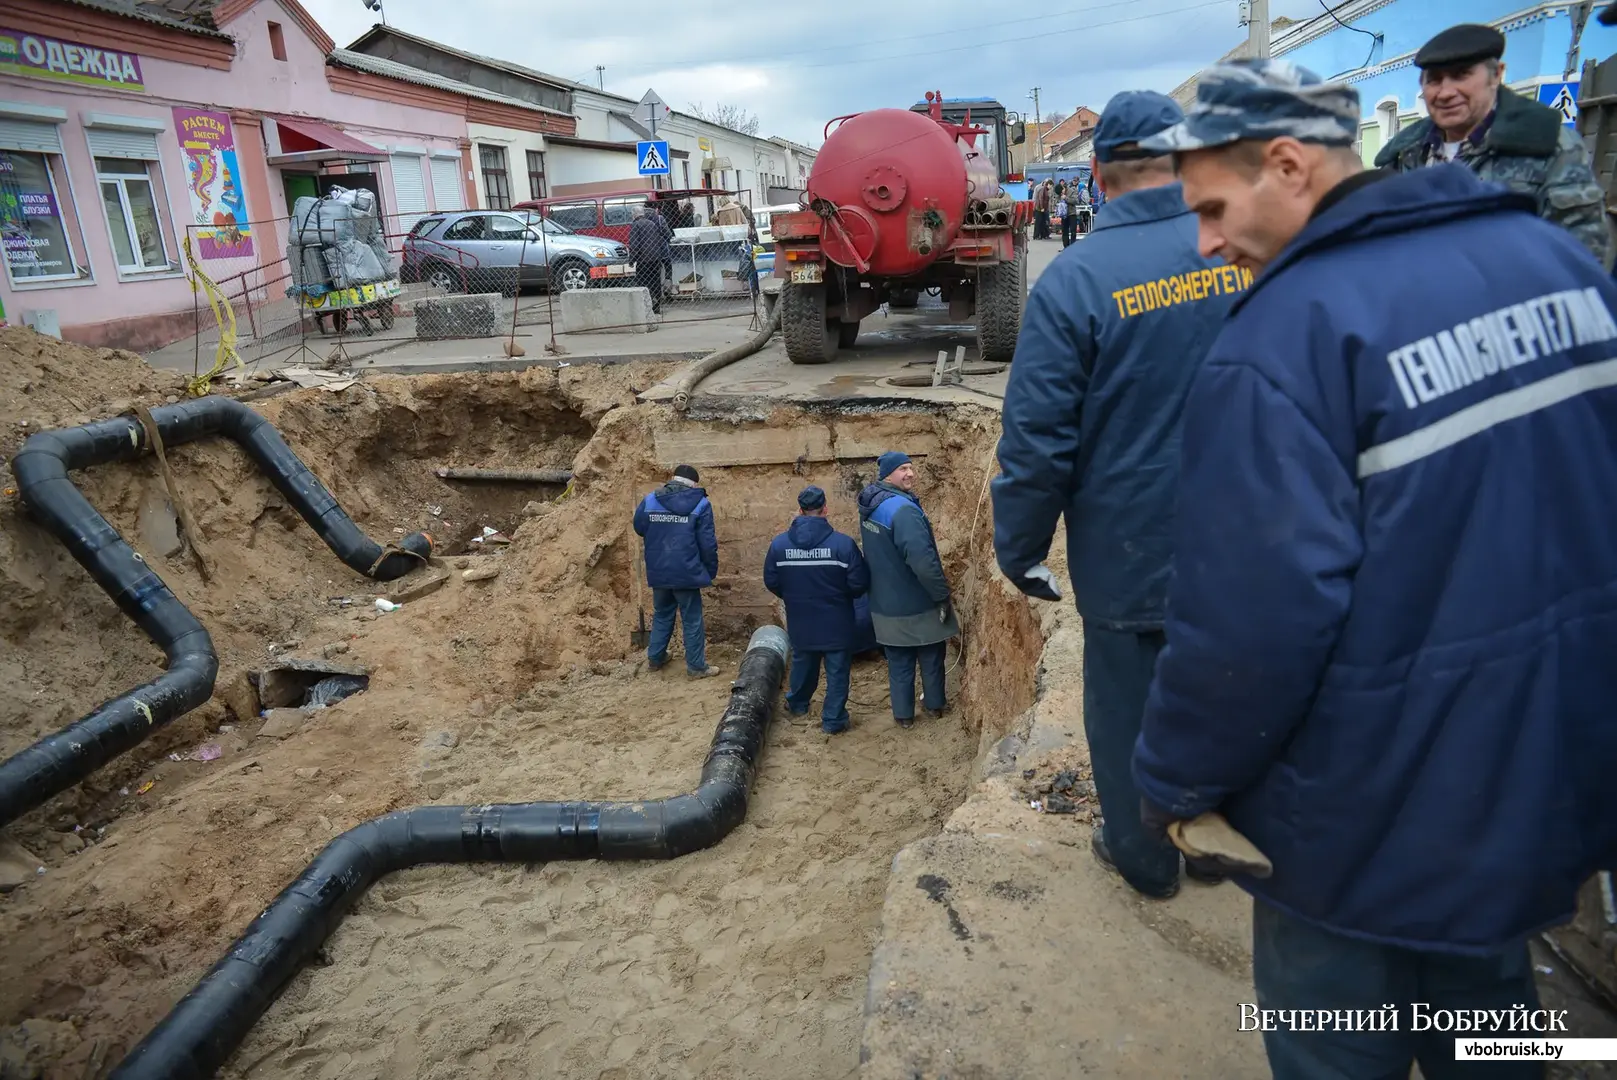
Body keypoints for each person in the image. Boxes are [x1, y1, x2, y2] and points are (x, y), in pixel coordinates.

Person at [1133, 58, 1617, 1079]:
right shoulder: (1558, 265)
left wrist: (1175, 780)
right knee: (1489, 1019)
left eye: (1214, 208)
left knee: (1331, 1036)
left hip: (1352, 819)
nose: (1207, 243)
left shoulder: (1283, 342)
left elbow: (1250, 622)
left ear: (1287, 163)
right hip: (1528, 778)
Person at [992, 90, 1249, 902]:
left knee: (1127, 714)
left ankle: (1145, 860)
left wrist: (1019, 546)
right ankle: (1213, 848)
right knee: (1220, 694)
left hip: (1128, 552)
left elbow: (1037, 445)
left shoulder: (1074, 282)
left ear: (1096, 173)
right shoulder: (1241, 252)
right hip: (1241, 538)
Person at [1376, 23, 1612, 265]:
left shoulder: (1548, 145)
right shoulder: (1405, 152)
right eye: (1434, 80)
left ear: (1496, 75)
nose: (1445, 92)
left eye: (1461, 75)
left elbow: (1582, 254)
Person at [857, 451, 958, 728]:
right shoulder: (903, 511)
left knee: (899, 663)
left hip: (883, 603)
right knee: (931, 656)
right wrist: (941, 596)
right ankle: (935, 706)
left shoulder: (872, 504)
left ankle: (903, 716)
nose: (911, 474)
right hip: (916, 603)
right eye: (903, 469)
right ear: (888, 474)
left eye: (911, 468)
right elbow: (923, 562)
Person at [763, 485, 870, 735]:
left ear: (800, 510)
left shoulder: (779, 546)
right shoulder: (843, 545)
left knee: (803, 661)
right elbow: (859, 583)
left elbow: (772, 580)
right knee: (837, 669)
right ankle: (833, 720)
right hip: (837, 619)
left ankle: (798, 704)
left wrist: (793, 597)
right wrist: (843, 599)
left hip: (801, 619)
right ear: (826, 509)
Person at [633, 464, 720, 678]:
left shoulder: (651, 499)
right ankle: (696, 667)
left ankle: (655, 658)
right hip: (687, 572)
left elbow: (639, 527)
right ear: (694, 484)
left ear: (673, 479)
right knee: (691, 619)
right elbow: (707, 543)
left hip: (659, 570)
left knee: (662, 614)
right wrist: (709, 570)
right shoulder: (701, 503)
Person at [628, 204, 670, 314]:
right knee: (655, 282)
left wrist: (632, 260)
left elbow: (634, 245)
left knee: (643, 282)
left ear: (634, 215)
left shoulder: (635, 225)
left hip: (643, 260)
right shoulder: (652, 224)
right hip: (656, 259)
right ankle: (656, 304)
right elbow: (658, 240)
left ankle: (646, 305)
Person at [1060, 180, 1083, 247]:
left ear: (1065, 188)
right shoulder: (1060, 193)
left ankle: (1072, 246)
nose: (1062, 191)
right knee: (1064, 231)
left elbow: (1075, 201)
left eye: (1063, 189)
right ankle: (1065, 246)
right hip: (1064, 215)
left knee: (1073, 231)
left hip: (1072, 213)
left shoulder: (1073, 191)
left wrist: (1066, 198)